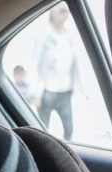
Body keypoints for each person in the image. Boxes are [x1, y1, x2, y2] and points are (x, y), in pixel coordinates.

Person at [35, 4, 80, 140]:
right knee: (42, 131)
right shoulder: (44, 36)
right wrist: (36, 94)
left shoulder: (70, 37)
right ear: (52, 13)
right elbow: (37, 66)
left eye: (66, 11)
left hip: (65, 92)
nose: (64, 14)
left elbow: (75, 65)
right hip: (47, 92)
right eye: (61, 11)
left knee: (69, 130)